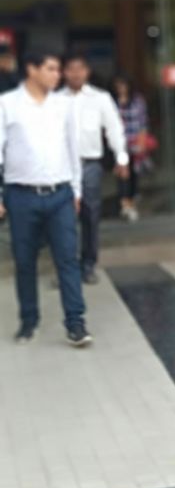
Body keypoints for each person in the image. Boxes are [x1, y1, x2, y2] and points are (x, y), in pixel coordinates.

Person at [0, 50, 91, 346]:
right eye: (51, 69)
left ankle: (75, 323)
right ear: (32, 69)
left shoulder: (63, 106)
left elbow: (73, 150)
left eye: (58, 69)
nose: (57, 75)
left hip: (60, 195)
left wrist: (76, 190)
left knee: (68, 260)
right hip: (20, 196)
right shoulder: (7, 104)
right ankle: (29, 321)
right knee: (25, 261)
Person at [60, 53, 130, 284]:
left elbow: (114, 128)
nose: (76, 73)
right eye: (71, 69)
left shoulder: (100, 98)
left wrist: (121, 158)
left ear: (87, 71)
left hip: (89, 165)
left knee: (90, 215)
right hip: (61, 167)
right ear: (64, 72)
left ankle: (88, 264)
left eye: (80, 68)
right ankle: (67, 268)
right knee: (63, 218)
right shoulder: (55, 99)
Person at [112, 75, 149, 222]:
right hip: (120, 144)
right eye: (118, 85)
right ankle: (125, 204)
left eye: (123, 85)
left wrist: (142, 142)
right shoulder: (112, 102)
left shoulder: (137, 101)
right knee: (123, 173)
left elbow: (143, 122)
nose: (121, 88)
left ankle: (131, 202)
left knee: (133, 174)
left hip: (135, 143)